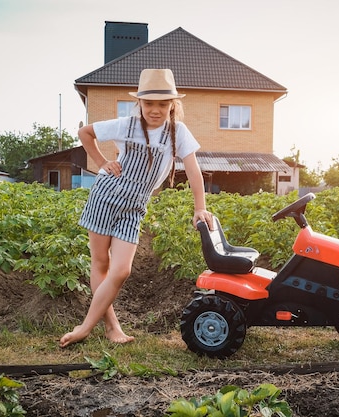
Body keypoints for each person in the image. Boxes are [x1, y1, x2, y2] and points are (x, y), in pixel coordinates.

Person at [60, 68, 212, 348]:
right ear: (139, 103)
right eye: (149, 103)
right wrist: (102, 161)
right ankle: (110, 326)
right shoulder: (126, 125)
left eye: (162, 104)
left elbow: (193, 170)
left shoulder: (178, 133)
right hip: (106, 196)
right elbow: (85, 132)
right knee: (101, 264)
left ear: (172, 105)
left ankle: (84, 327)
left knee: (121, 270)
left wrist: (199, 208)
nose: (155, 110)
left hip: (135, 207)